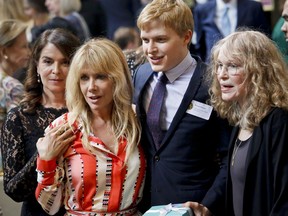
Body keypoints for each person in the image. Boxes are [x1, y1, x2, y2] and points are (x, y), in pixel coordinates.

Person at [133, 0, 231, 215]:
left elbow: (229, 157)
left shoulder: (213, 83)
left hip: (194, 206)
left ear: (186, 37)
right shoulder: (140, 76)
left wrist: (209, 204)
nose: (150, 49)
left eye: (160, 40)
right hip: (148, 205)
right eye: (145, 40)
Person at [35, 38, 146, 215]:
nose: (91, 87)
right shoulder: (64, 127)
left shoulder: (137, 120)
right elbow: (49, 206)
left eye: (100, 76)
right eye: (84, 78)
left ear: (117, 79)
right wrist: (46, 160)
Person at [1, 28, 81, 216]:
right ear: (36, 65)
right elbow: (14, 190)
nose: (56, 70)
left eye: (65, 63)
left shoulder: (89, 112)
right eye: (48, 61)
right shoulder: (18, 118)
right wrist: (44, 155)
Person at [208, 29, 288, 215]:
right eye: (219, 65)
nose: (221, 74)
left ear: (259, 70)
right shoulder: (239, 119)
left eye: (233, 66)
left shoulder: (278, 120)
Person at [193, 0, 271, 62]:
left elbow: (265, 41)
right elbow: (200, 45)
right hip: (213, 70)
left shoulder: (253, 8)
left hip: (247, 68)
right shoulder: (202, 10)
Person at [0, 19, 30, 127]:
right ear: (4, 51)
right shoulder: (13, 88)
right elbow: (17, 130)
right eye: (24, 47)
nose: (29, 52)